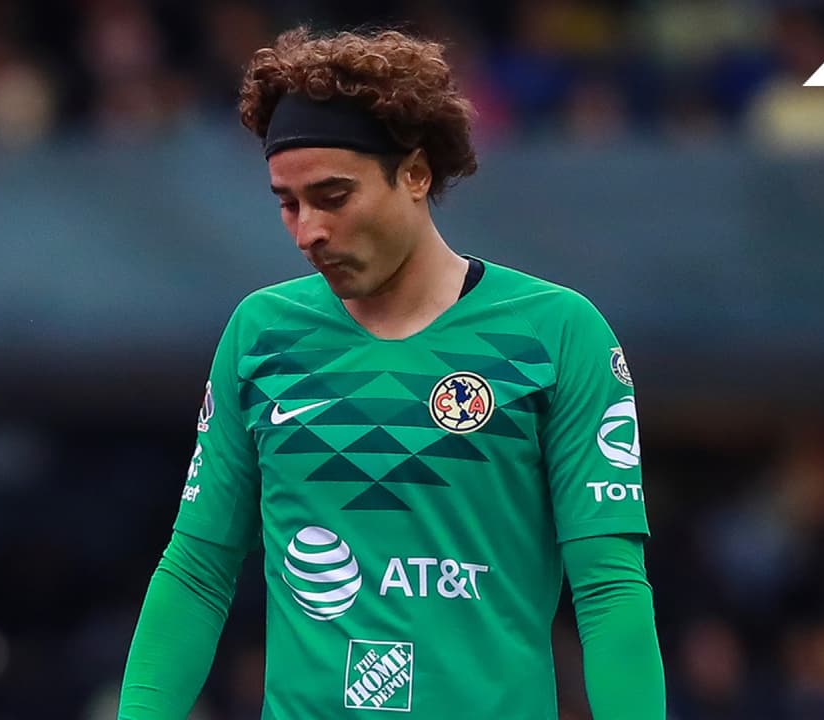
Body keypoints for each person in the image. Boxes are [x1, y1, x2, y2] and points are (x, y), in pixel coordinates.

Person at [120, 26, 665, 719]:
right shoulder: (260, 334)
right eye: (288, 203)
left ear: (415, 174)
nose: (308, 231)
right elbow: (197, 574)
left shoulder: (558, 334)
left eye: (333, 196)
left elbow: (610, 591)